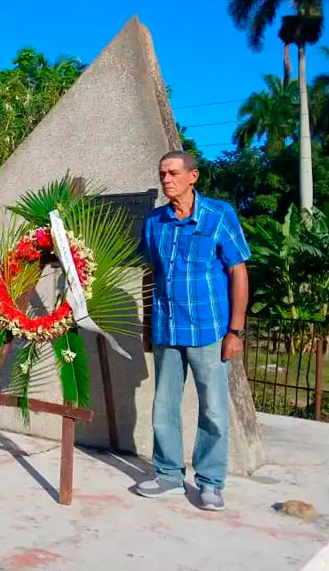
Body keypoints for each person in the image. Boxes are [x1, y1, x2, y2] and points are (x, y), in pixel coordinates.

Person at [135, 150, 250, 512]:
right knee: (164, 406)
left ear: (193, 176)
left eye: (173, 173)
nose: (166, 179)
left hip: (209, 330)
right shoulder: (155, 221)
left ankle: (211, 482)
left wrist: (236, 331)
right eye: (162, 173)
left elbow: (238, 272)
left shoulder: (218, 215)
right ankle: (168, 474)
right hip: (167, 327)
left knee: (213, 409)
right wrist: (148, 324)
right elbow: (149, 273)